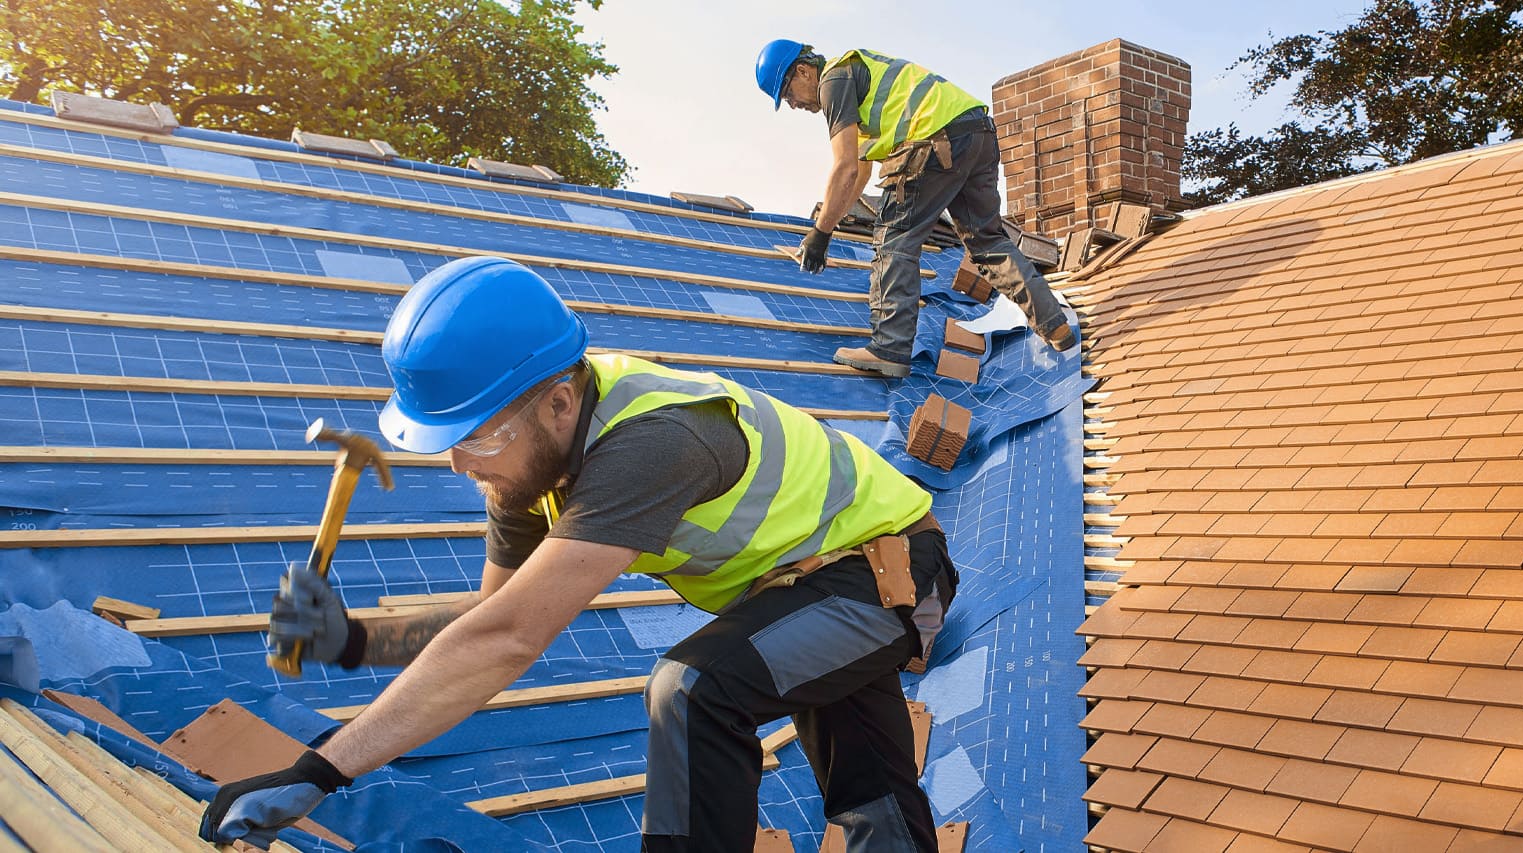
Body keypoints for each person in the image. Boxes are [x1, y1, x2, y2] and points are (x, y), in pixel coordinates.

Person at [199, 256, 956, 853]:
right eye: (449, 444)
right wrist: (358, 641)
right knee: (873, 798)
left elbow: (505, 642)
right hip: (800, 589)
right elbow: (489, 621)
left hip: (889, 571)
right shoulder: (525, 464)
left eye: (479, 438)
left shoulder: (652, 444)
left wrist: (320, 769)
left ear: (560, 401)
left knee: (691, 690)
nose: (464, 466)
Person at [755, 39, 1078, 378]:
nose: (792, 105)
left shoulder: (833, 82)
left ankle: (889, 348)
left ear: (804, 71)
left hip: (935, 139)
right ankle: (1055, 326)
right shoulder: (859, 81)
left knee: (895, 239)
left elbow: (844, 166)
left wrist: (819, 233)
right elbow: (859, 173)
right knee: (987, 243)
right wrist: (829, 227)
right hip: (977, 133)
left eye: (787, 93)